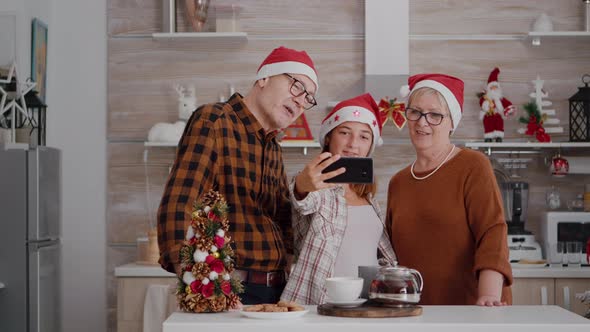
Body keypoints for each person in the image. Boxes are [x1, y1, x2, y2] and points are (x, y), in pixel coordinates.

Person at [157, 46, 319, 304]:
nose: (301, 101)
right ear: (264, 78)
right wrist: (197, 284)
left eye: (309, 98)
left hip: (276, 292)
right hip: (230, 290)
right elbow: (179, 203)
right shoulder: (214, 120)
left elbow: (281, 219)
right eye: (297, 86)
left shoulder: (273, 146)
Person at [386, 73, 513, 306]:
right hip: (414, 312)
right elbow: (390, 256)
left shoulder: (473, 165)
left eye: (435, 115)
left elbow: (492, 233)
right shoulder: (398, 182)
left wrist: (489, 297)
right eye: (415, 112)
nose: (422, 122)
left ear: (452, 122)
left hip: (471, 311)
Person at [280, 93, 397, 305]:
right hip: (321, 305)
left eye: (364, 136)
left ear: (370, 145)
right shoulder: (315, 188)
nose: (353, 143)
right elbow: (300, 201)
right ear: (328, 138)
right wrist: (301, 186)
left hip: (367, 306)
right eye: (345, 132)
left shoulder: (370, 199)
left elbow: (381, 257)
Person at [478, 67, 516, 142]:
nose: (494, 89)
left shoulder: (500, 98)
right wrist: (482, 98)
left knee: (499, 125)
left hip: (497, 114)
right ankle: (488, 137)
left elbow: (507, 104)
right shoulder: (486, 98)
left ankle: (499, 137)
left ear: (498, 88)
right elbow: (481, 103)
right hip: (488, 114)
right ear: (489, 89)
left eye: (496, 87)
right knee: (488, 126)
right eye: (492, 88)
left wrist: (510, 108)